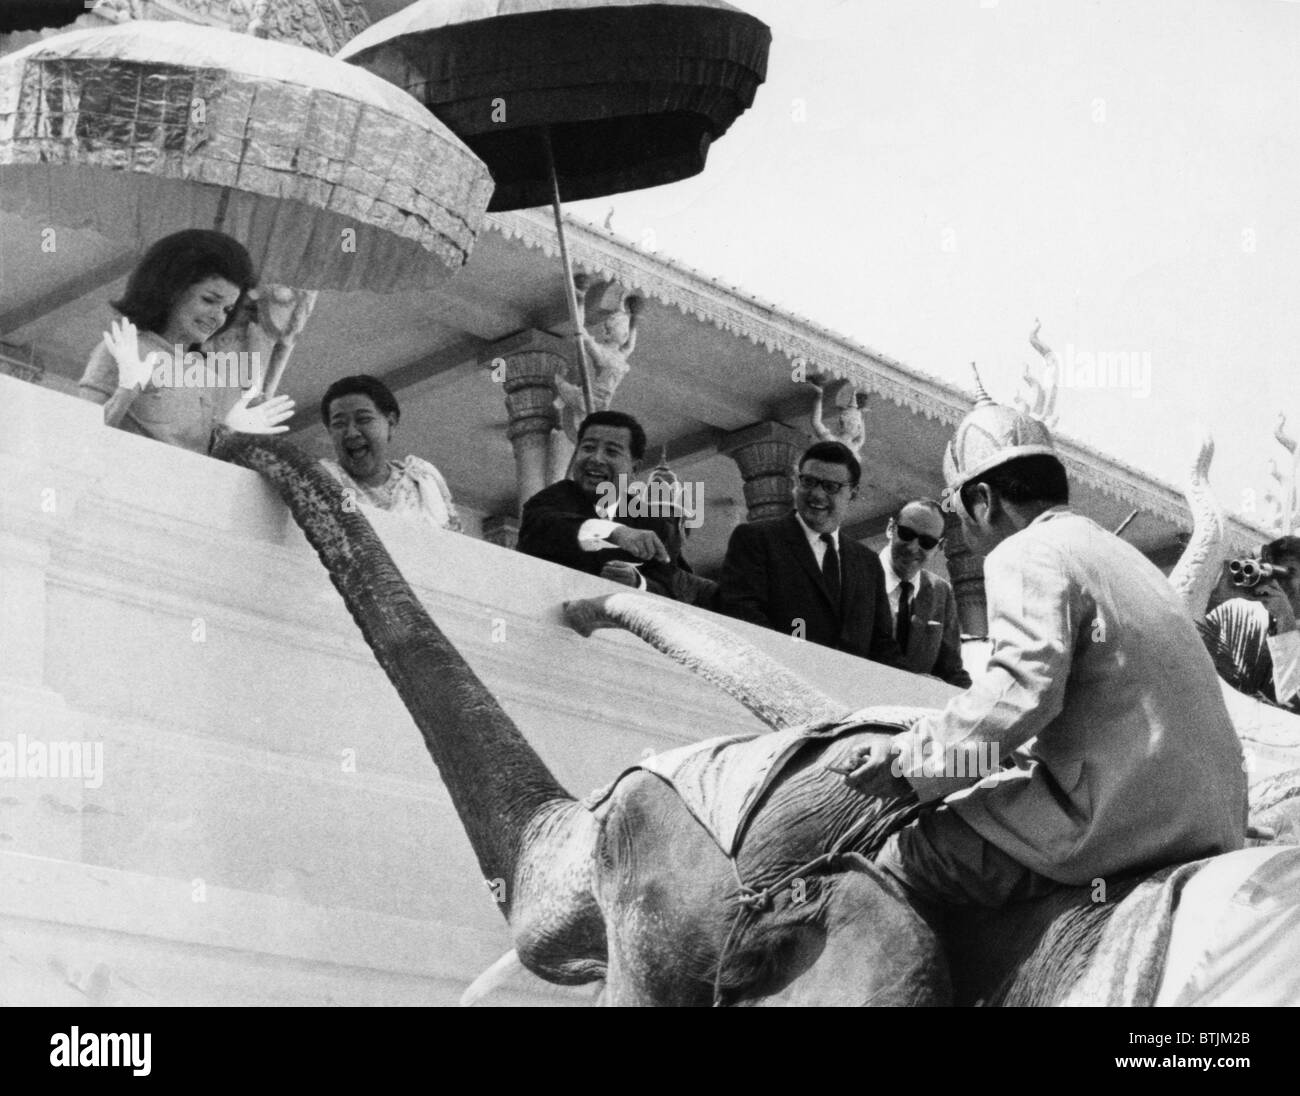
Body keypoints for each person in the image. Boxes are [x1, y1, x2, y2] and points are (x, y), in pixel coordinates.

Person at [841, 390, 1247, 909]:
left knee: (904, 856)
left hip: (1117, 824)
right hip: (1216, 822)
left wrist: (905, 763)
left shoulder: (1025, 551)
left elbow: (1021, 690)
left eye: (957, 510)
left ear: (983, 501)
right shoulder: (1129, 558)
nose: (961, 531)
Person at [78, 229, 293, 452]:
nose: (218, 317)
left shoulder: (207, 375)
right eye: (209, 300)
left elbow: (199, 461)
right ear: (171, 289)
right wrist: (127, 389)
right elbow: (82, 440)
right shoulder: (123, 351)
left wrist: (230, 433)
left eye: (228, 309)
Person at [718, 440, 904, 666]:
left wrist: (916, 682)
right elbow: (743, 616)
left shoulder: (868, 563)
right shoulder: (756, 540)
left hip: (848, 693)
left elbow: (881, 643)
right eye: (808, 482)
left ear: (853, 493)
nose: (816, 494)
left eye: (830, 487)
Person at [518, 410, 712, 605]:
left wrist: (638, 583)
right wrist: (615, 532)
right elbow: (544, 528)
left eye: (611, 451)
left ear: (634, 469)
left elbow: (677, 591)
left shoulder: (654, 524)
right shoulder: (553, 499)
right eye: (588, 448)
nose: (596, 458)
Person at [319, 375, 462, 534]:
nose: (351, 432)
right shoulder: (321, 480)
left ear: (391, 423)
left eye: (364, 419)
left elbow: (456, 546)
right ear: (329, 432)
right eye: (339, 424)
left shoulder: (423, 482)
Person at [880, 498, 972, 687]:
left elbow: (951, 671)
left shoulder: (941, 591)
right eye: (906, 534)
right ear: (891, 528)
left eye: (927, 542)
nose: (913, 547)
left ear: (939, 546)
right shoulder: (854, 574)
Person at [1200, 535, 1300, 706]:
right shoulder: (1236, 613)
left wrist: (1286, 621)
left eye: (1290, 572)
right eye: (1277, 571)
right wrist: (1216, 593)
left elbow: (1293, 701)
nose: (1282, 581)